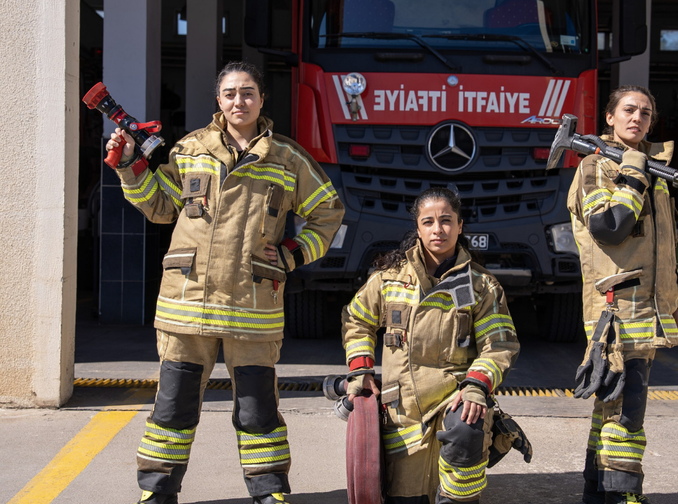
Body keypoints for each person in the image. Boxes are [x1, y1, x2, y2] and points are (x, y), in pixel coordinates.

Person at [104, 61, 344, 504]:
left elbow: (328, 212)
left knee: (258, 410)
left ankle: (269, 491)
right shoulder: (190, 148)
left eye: (248, 92)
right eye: (230, 93)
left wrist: (292, 254)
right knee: (173, 407)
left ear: (262, 100)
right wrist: (130, 168)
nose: (239, 101)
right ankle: (157, 492)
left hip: (252, 306)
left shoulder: (287, 158)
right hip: (187, 303)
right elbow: (161, 208)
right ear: (219, 100)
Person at [341, 187, 520, 504]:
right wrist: (361, 371)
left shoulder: (481, 286)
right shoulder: (388, 280)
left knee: (467, 428)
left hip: (457, 401)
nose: (438, 229)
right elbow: (357, 320)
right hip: (403, 416)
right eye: (428, 222)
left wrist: (477, 386)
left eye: (447, 220)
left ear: (460, 226)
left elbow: (499, 344)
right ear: (418, 228)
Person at [568, 85, 678, 504]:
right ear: (610, 117)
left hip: (650, 309)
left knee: (612, 404)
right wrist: (634, 174)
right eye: (629, 110)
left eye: (646, 113)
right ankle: (622, 496)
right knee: (626, 407)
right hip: (616, 310)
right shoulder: (596, 166)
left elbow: (666, 247)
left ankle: (598, 492)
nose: (638, 118)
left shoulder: (655, 173)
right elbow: (609, 227)